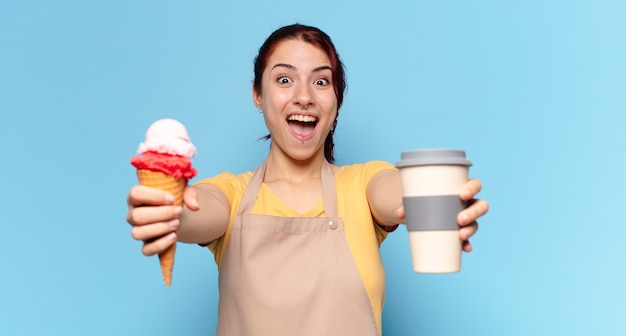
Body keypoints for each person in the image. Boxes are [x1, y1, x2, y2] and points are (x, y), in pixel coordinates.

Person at [126, 23, 489, 336]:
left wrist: (437, 199)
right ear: (257, 95)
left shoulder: (361, 185)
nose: (304, 97)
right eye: (284, 79)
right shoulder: (231, 194)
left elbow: (394, 192)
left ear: (335, 100)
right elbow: (198, 210)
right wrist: (166, 210)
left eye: (321, 81)